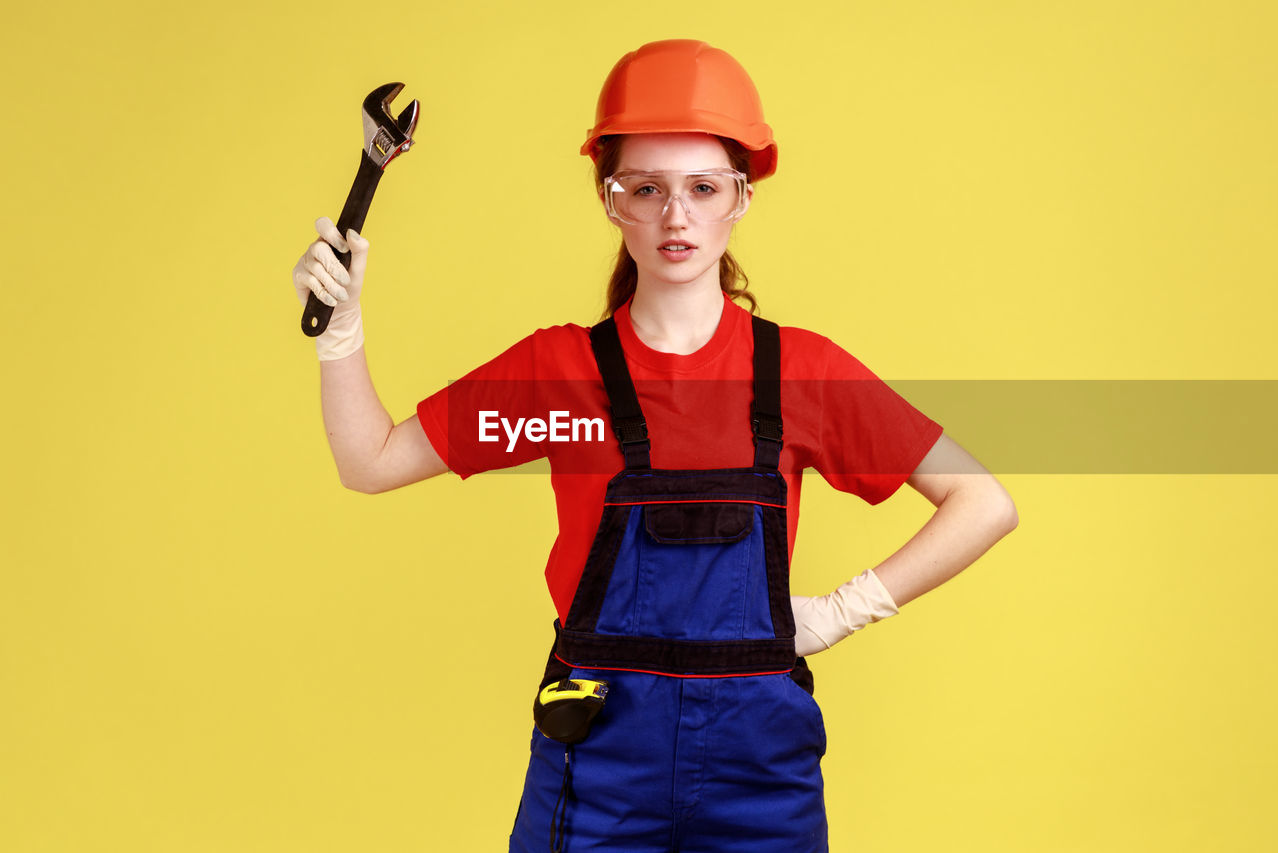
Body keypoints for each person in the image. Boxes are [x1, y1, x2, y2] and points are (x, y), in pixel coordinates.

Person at [291, 38, 1017, 853]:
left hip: (761, 781)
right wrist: (341, 333)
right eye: (647, 189)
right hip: (597, 765)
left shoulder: (802, 373)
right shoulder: (555, 378)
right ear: (612, 200)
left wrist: (841, 612)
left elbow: (984, 501)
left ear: (739, 198)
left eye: (703, 188)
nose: (677, 216)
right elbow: (369, 461)